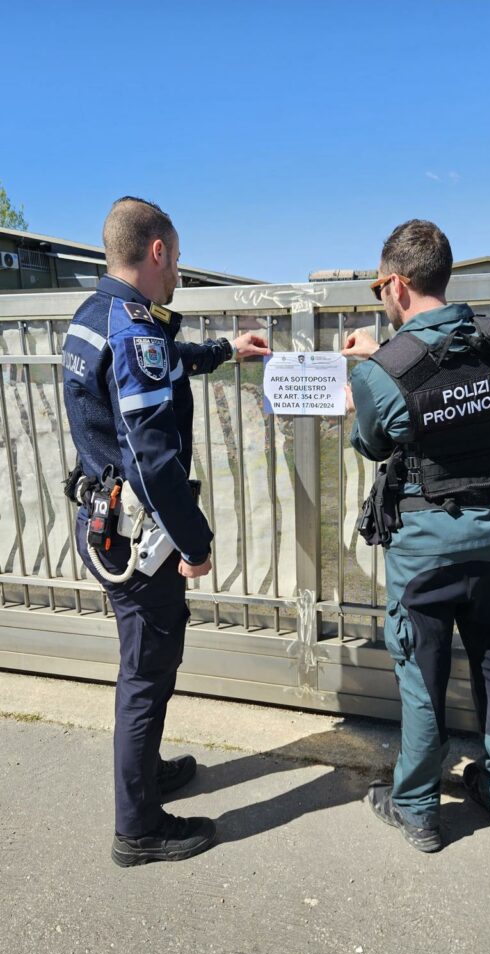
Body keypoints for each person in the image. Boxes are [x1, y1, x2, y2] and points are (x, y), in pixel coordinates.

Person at [62, 196, 270, 867]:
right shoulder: (131, 330)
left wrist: (225, 350)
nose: (178, 271)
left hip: (103, 522)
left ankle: (145, 778)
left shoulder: (92, 318)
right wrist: (196, 542)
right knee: (146, 673)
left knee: (144, 663)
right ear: (157, 252)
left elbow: (165, 360)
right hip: (138, 539)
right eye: (176, 258)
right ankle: (139, 827)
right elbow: (152, 455)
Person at [342, 219, 490, 853]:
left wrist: (372, 364)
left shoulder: (382, 370)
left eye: (378, 288)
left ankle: (417, 809)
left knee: (422, 678)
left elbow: (372, 442)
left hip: (424, 548)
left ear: (395, 284)